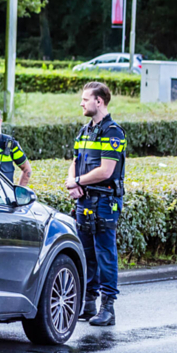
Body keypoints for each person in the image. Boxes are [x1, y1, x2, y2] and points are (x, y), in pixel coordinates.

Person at [65, 82, 126, 327]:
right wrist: (72, 181)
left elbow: (106, 170)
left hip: (104, 201)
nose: (81, 103)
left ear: (98, 102)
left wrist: (78, 180)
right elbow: (75, 160)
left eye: (85, 99)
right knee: (87, 254)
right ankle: (89, 304)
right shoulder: (85, 131)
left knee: (105, 254)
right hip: (85, 201)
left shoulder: (113, 132)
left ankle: (108, 308)